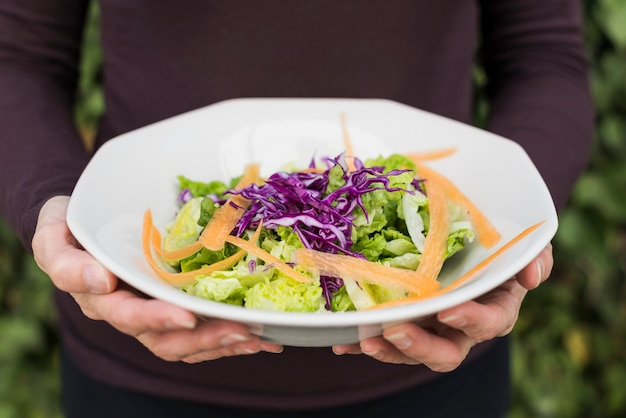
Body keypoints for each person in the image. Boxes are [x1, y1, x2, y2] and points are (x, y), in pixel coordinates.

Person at [0, 1, 593, 417]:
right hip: (139, 364)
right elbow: (18, 56)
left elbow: (544, 56)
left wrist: (510, 217)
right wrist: (56, 203)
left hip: (436, 366)